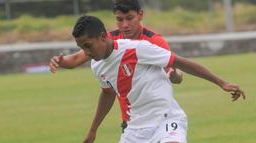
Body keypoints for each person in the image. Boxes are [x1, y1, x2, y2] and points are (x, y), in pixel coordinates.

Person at [72, 15, 245, 143]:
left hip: (166, 116)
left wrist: (221, 83)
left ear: (103, 36)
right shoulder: (97, 66)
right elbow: (108, 93)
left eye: (88, 46)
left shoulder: (136, 48)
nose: (86, 53)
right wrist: (93, 129)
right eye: (82, 48)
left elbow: (180, 62)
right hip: (136, 127)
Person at [49, 0, 183, 132]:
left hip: (159, 118)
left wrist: (174, 75)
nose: (125, 25)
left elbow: (177, 75)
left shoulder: (154, 41)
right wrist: (60, 61)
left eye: (130, 18)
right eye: (119, 19)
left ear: (140, 15)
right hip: (131, 121)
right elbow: (76, 59)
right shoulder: (107, 40)